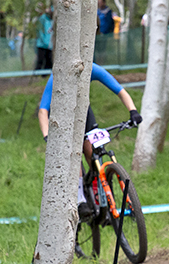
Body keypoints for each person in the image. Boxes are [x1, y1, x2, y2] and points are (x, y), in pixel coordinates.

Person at [38, 65, 141, 218]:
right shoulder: (58, 75)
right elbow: (43, 111)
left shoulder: (93, 69)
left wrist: (133, 111)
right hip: (61, 115)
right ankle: (80, 199)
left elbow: (120, 91)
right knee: (74, 153)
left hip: (82, 112)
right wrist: (47, 135)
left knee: (90, 148)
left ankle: (99, 190)